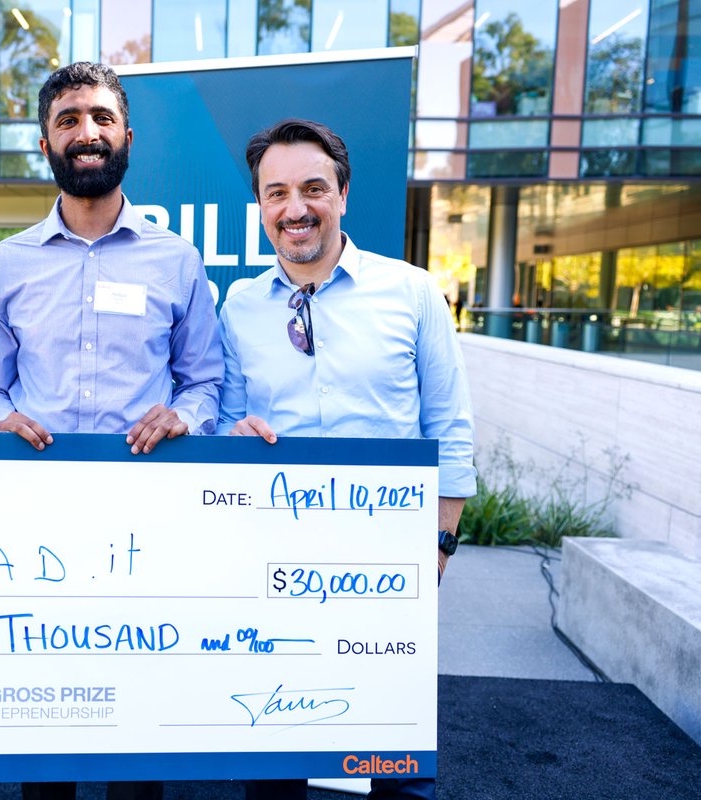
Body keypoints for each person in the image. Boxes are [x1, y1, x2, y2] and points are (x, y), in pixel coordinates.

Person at [0, 62, 224, 800]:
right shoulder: (7, 262)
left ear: (127, 137)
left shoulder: (175, 259)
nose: (87, 133)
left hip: (145, 520)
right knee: (44, 725)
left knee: (136, 726)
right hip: (34, 523)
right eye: (69, 119)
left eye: (101, 118)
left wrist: (187, 415)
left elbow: (204, 380)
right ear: (44, 143)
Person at [218, 119, 476, 800]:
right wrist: (231, 435)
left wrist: (439, 544)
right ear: (260, 207)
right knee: (274, 756)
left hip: (384, 563)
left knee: (389, 758)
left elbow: (448, 425)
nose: (293, 208)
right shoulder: (239, 305)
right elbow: (223, 420)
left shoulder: (413, 291)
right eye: (275, 193)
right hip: (273, 562)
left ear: (343, 194)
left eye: (311, 188)